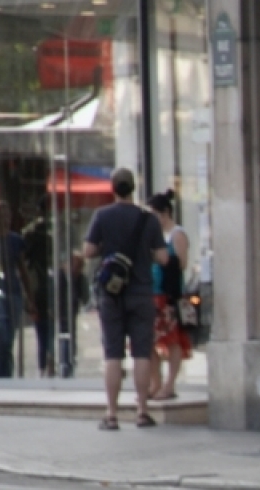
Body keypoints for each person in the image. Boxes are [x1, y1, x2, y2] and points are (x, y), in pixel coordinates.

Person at [83, 167, 169, 430]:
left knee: (112, 354)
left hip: (112, 296)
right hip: (142, 293)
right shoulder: (149, 219)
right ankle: (142, 411)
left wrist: (106, 248)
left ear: (113, 187)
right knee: (142, 353)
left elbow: (88, 251)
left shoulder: (102, 215)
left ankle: (111, 415)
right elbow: (163, 258)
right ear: (133, 188)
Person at [146, 189, 192, 400]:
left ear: (165, 213)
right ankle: (156, 382)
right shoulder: (154, 234)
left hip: (169, 293)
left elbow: (181, 263)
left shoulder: (177, 234)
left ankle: (169, 383)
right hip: (152, 291)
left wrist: (162, 259)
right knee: (149, 340)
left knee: (172, 339)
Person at [0, 201, 36, 379]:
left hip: (12, 290)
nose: (4, 219)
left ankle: (5, 374)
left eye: (7, 215)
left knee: (9, 337)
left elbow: (22, 269)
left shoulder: (16, 240)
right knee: (1, 335)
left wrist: (29, 296)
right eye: (0, 215)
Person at [22, 197, 53, 376]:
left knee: (43, 330)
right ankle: (47, 365)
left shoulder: (31, 233)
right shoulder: (38, 234)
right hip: (43, 286)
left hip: (42, 286)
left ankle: (45, 366)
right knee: (46, 329)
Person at [55, 251, 89, 378]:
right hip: (59, 313)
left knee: (70, 337)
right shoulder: (59, 276)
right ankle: (61, 363)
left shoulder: (79, 278)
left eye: (79, 266)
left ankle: (68, 363)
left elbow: (85, 298)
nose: (75, 268)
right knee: (62, 337)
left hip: (71, 313)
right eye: (73, 264)